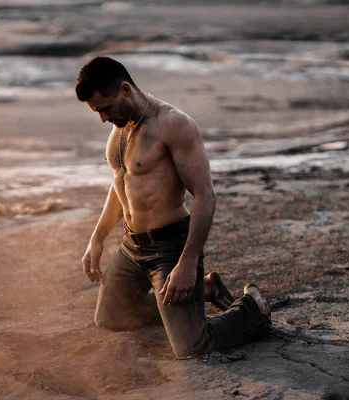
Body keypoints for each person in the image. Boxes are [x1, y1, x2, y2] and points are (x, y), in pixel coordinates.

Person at [76, 56, 271, 359]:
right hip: (131, 246)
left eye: (105, 108)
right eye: (97, 111)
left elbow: (206, 196)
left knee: (191, 347)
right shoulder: (120, 128)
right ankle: (205, 292)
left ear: (125, 90)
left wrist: (188, 262)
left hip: (171, 246)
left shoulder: (174, 125)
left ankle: (252, 308)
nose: (102, 118)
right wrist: (97, 237)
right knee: (110, 318)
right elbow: (122, 186)